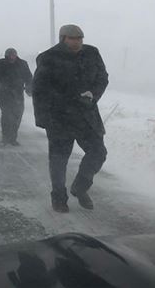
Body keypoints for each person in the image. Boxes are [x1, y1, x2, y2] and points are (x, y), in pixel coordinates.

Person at [32, 24, 109, 213]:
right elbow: (39, 89)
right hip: (59, 117)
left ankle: (80, 187)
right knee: (59, 160)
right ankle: (59, 197)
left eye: (80, 38)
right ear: (63, 39)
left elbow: (102, 77)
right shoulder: (49, 57)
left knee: (98, 152)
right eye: (73, 38)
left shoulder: (92, 53)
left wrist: (93, 94)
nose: (78, 42)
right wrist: (43, 117)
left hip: (86, 115)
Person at [0, 48, 33, 146]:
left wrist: (30, 90)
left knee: (17, 116)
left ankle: (13, 138)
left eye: (14, 55)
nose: (12, 57)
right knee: (7, 116)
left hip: (18, 95)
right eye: (10, 55)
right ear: (6, 56)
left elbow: (29, 78)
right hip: (4, 95)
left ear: (16, 55)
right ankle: (6, 138)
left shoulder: (22, 64)